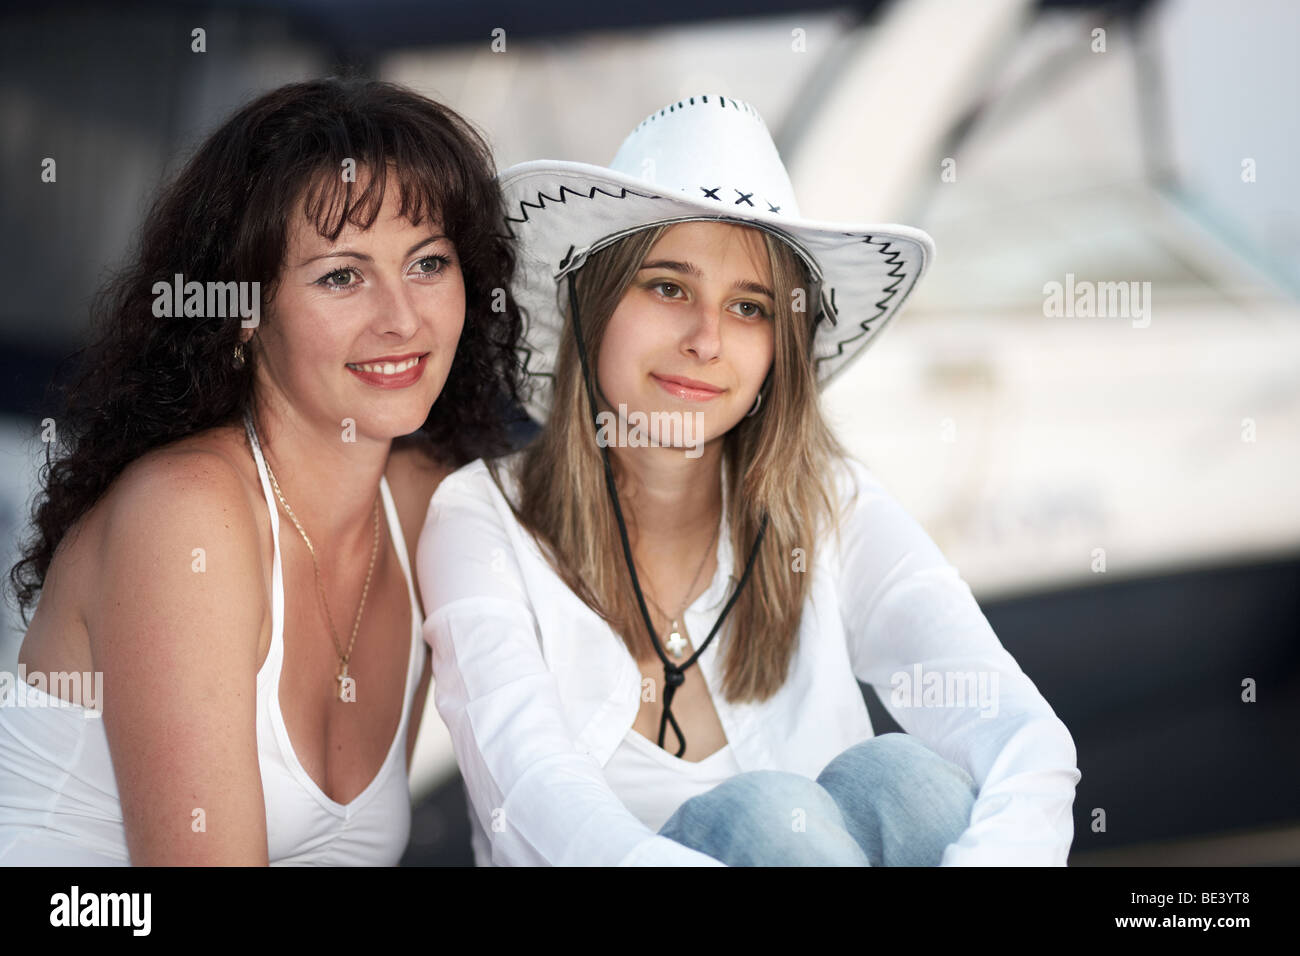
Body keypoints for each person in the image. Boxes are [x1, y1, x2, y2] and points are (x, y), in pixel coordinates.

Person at [418, 94, 1081, 866]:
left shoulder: (832, 500)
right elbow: (534, 790)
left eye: (750, 307)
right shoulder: (480, 516)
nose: (707, 340)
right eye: (668, 287)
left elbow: (1021, 735)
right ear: (590, 304)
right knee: (772, 816)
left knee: (908, 783)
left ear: (781, 349)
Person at [0, 77, 523, 865]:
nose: (402, 317)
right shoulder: (187, 516)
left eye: (428, 262)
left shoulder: (426, 506)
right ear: (245, 311)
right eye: (341, 276)